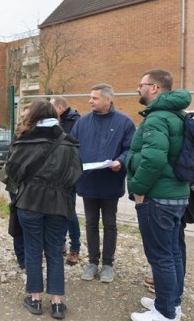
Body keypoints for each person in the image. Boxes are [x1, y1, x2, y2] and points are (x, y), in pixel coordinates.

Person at [5, 99, 83, 319]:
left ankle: (36, 299)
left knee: (32, 250)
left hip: (29, 201)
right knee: (55, 250)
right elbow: (77, 173)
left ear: (34, 116)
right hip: (59, 203)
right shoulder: (69, 141)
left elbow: (12, 171)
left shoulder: (24, 140)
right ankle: (57, 303)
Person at [126, 69, 191, 321]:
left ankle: (165, 313)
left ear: (154, 88)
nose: (137, 89)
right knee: (173, 252)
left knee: (160, 256)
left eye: (141, 84)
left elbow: (153, 159)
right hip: (177, 195)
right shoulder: (178, 114)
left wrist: (139, 189)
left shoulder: (157, 118)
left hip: (158, 198)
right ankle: (170, 303)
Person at [70, 83, 136, 283]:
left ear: (108, 100)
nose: (90, 101)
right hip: (88, 182)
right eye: (90, 97)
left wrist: (121, 162)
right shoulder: (82, 122)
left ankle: (108, 265)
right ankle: (92, 262)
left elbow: (131, 148)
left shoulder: (124, 122)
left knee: (109, 224)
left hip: (110, 181)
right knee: (90, 223)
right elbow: (72, 146)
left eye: (95, 98)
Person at [50, 96, 81, 265]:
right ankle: (60, 244)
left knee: (70, 213)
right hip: (54, 175)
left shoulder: (76, 123)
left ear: (60, 109)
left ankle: (75, 248)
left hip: (68, 175)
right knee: (56, 211)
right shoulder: (54, 121)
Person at [6, 103, 31, 270]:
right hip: (17, 186)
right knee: (18, 222)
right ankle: (22, 259)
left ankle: (32, 256)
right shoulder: (18, 137)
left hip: (35, 188)